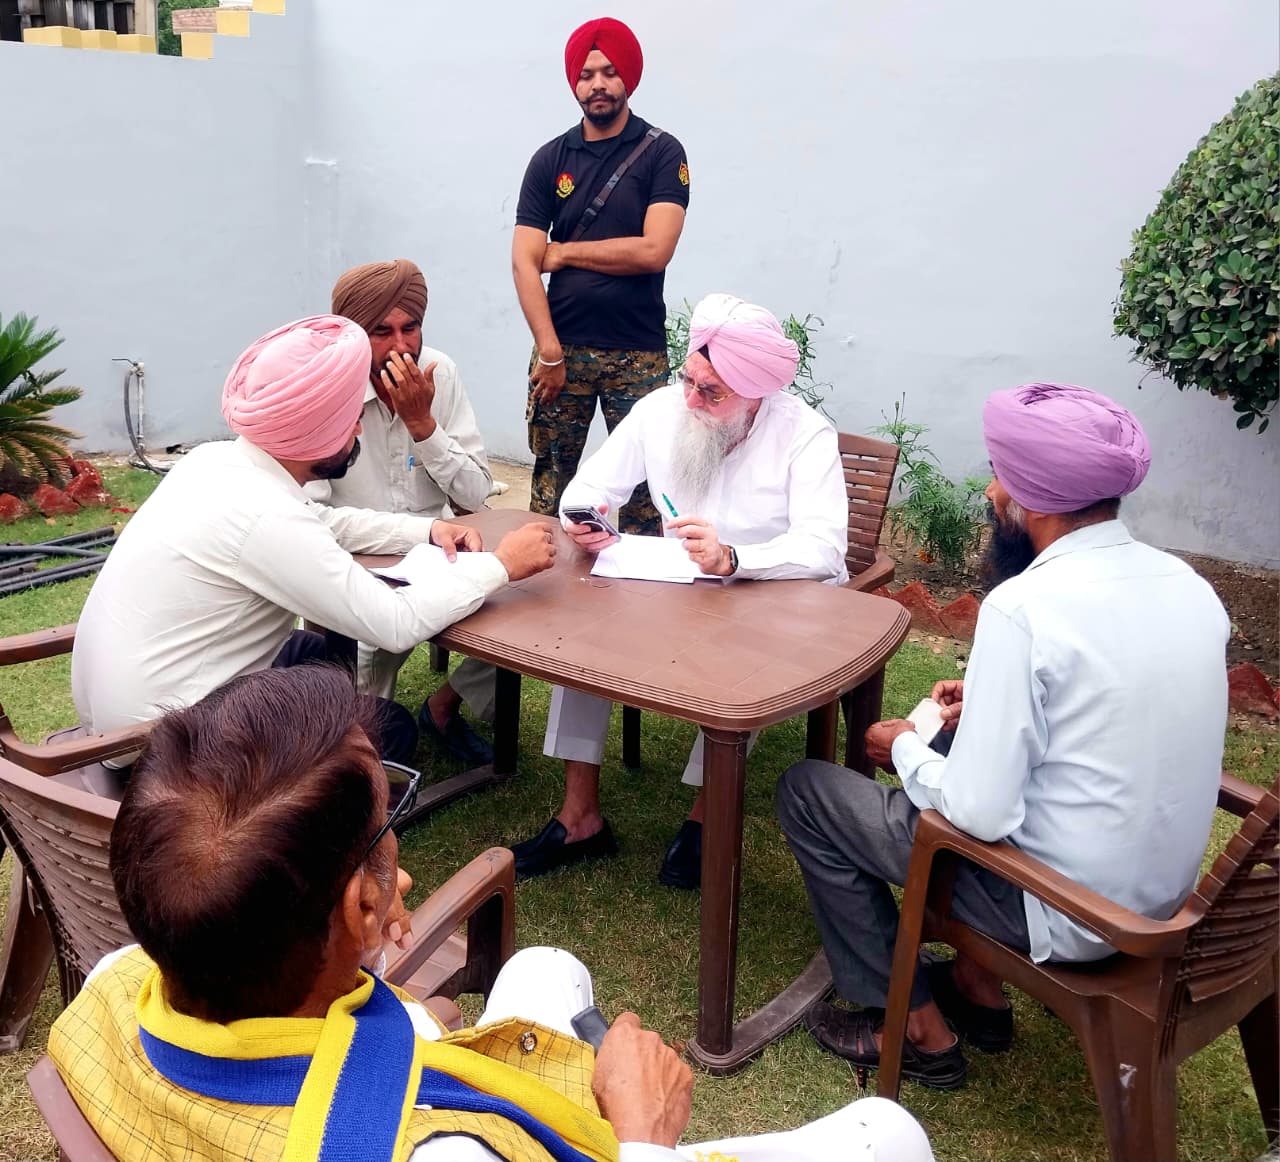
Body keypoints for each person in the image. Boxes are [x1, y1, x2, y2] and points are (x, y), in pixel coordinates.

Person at [47, 666, 935, 1162]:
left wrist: (387, 1001)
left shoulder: (118, 983)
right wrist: (643, 1131)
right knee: (888, 1134)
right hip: (483, 1128)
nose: (397, 853)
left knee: (545, 967)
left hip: (316, 1082)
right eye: (388, 816)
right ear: (363, 902)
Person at [776, 383, 1231, 1089]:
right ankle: (977, 988)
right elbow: (1109, 715)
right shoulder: (1188, 585)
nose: (991, 493)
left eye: (1000, 477)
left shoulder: (1025, 606)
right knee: (950, 747)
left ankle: (913, 1028)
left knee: (809, 792)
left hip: (1067, 907)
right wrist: (988, 706)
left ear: (1035, 503)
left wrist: (903, 748)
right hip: (1153, 898)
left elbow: (980, 814)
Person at [71, 315, 555, 766]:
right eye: (348, 418)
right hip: (167, 748)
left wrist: (424, 529)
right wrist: (502, 565)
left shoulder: (214, 462)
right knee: (387, 729)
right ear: (315, 428)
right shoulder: (266, 515)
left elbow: (319, 521)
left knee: (313, 654)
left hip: (124, 718)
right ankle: (332, 822)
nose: (358, 426)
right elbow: (393, 623)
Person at [512, 293, 848, 889]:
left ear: (757, 394)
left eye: (712, 393)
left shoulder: (805, 435)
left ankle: (704, 814)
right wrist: (586, 518)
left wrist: (735, 558)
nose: (691, 399)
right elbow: (587, 488)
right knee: (584, 639)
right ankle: (580, 814)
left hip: (770, 594)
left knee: (740, 653)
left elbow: (824, 549)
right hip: (677, 583)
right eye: (690, 379)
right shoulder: (663, 409)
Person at [308, 258, 499, 767]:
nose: (400, 347)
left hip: (436, 553)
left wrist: (423, 425)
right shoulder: (328, 386)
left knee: (526, 599)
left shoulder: (440, 372)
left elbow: (475, 493)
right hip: (353, 561)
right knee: (362, 721)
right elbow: (313, 519)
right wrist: (423, 531)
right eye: (382, 332)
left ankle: (444, 706)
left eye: (409, 328)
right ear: (352, 334)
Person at [513, 16, 690, 536]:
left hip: (638, 352)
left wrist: (565, 253)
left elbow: (654, 250)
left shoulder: (662, 153)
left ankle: (641, 583)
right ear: (574, 82)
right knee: (551, 485)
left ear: (627, 77)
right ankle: (539, 578)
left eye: (609, 72)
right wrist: (549, 351)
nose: (598, 84)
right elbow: (524, 260)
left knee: (646, 493)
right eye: (586, 74)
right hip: (561, 352)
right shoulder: (550, 159)